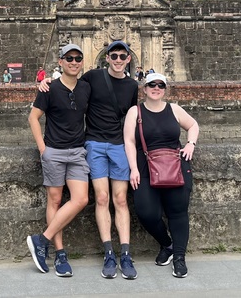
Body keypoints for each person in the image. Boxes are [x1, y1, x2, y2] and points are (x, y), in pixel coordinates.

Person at [39, 40, 139, 280]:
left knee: (121, 199)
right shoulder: (93, 77)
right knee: (102, 198)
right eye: (113, 55)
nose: (117, 60)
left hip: (118, 145)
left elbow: (131, 116)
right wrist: (47, 81)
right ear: (106, 58)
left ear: (128, 59)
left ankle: (125, 253)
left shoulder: (132, 85)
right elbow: (69, 85)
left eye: (121, 56)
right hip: (93, 143)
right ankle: (108, 253)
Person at [122, 73, 199, 279]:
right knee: (146, 212)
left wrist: (191, 143)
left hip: (176, 165)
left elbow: (193, 125)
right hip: (145, 167)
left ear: (165, 89)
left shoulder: (174, 109)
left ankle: (179, 258)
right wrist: (133, 169)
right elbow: (129, 141)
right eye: (152, 85)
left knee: (178, 213)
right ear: (145, 89)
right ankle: (167, 244)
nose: (156, 88)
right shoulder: (135, 112)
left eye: (160, 85)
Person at [27, 44, 91, 277]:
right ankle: (60, 253)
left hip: (76, 152)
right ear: (61, 62)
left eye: (78, 59)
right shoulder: (49, 89)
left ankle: (41, 240)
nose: (74, 62)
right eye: (69, 58)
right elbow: (33, 118)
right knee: (54, 200)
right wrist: (43, 149)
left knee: (81, 199)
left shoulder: (86, 87)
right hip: (54, 150)